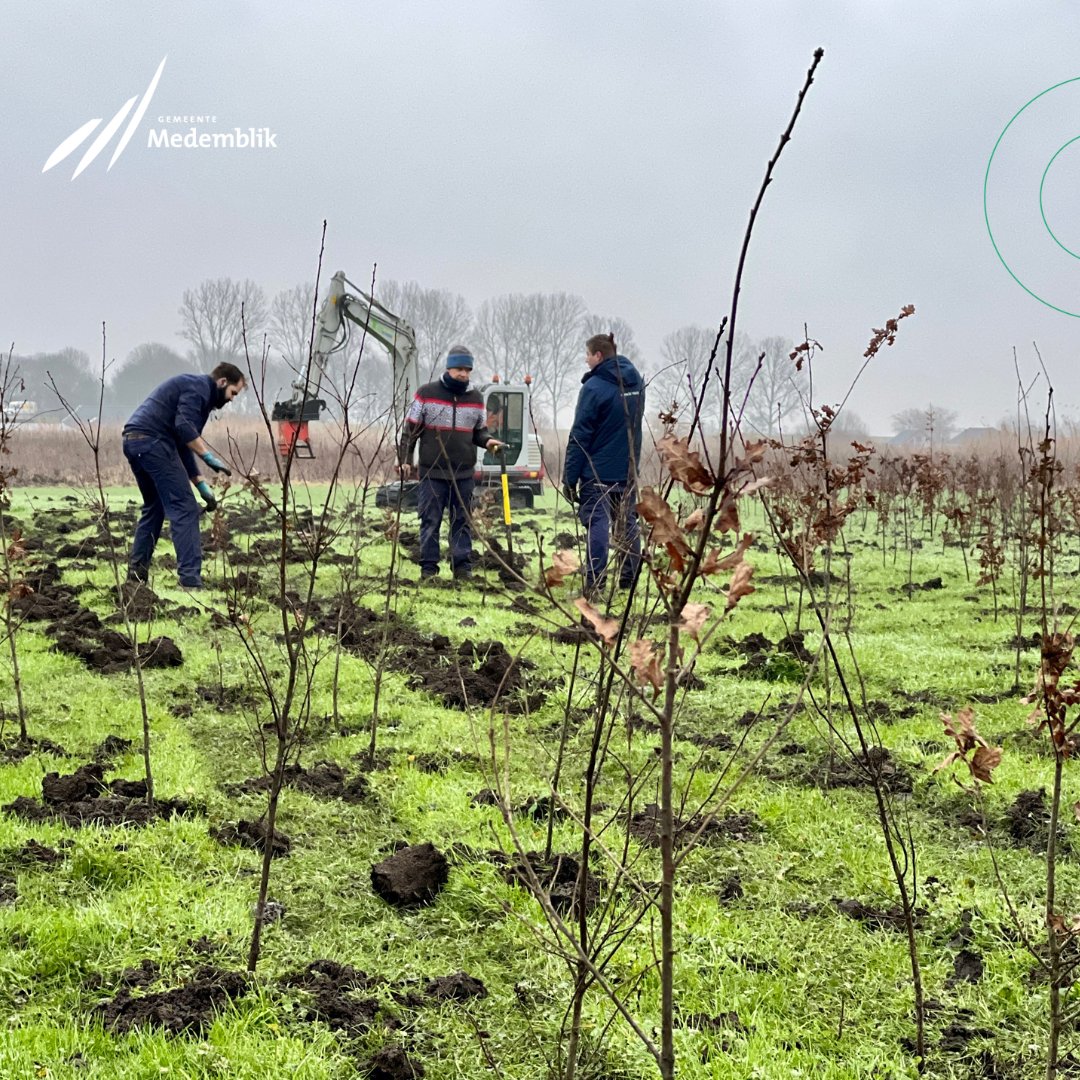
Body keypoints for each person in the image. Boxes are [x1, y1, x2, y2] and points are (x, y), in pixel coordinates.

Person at [122, 362, 246, 588]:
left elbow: (182, 442)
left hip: (134, 441)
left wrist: (200, 484)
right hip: (152, 442)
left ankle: (136, 577)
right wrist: (207, 456)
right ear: (222, 382)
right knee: (185, 507)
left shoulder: (198, 391)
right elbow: (184, 427)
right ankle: (190, 581)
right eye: (233, 393)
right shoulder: (198, 388)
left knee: (155, 506)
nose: (231, 399)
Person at [399, 345, 503, 581]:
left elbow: (478, 432)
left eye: (468, 370)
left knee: (462, 521)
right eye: (459, 369)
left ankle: (462, 569)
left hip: (463, 474)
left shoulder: (476, 399)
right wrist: (405, 460)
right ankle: (428, 570)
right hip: (432, 474)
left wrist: (488, 442)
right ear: (448, 368)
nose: (464, 374)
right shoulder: (426, 393)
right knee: (430, 521)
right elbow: (410, 431)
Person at [562, 333, 645, 595]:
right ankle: (628, 580)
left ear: (598, 356)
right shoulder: (637, 383)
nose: (586, 360)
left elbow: (580, 435)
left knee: (598, 524)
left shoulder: (594, 387)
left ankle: (595, 582)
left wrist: (569, 478)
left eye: (587, 355)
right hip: (628, 471)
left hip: (597, 472)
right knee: (627, 523)